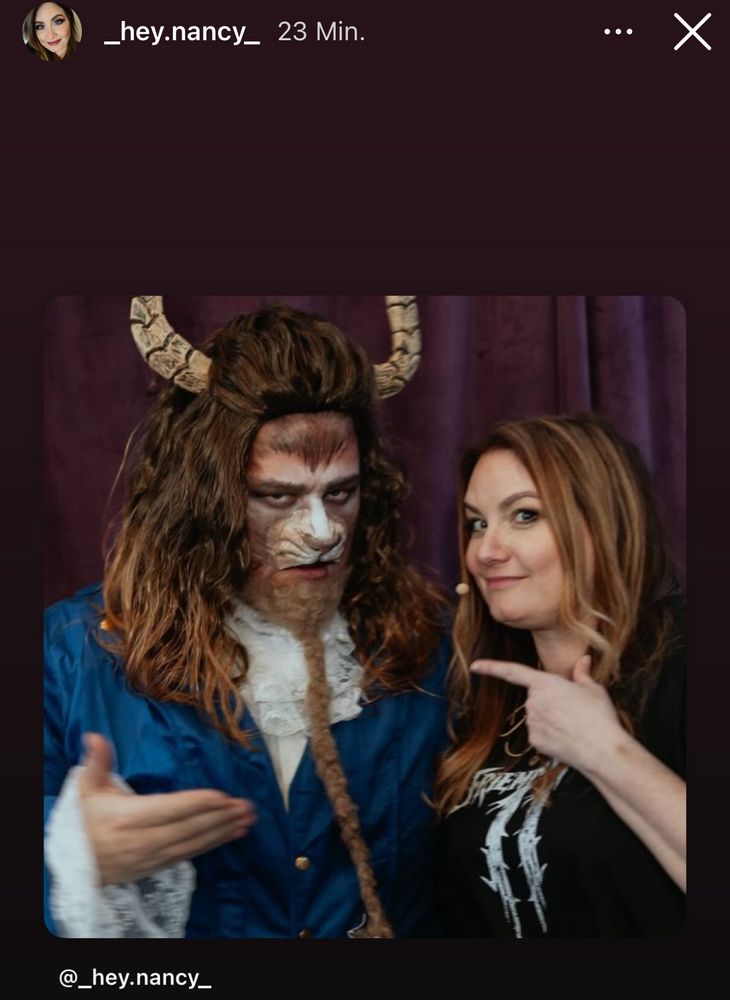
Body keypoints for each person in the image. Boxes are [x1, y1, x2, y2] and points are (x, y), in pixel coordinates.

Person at [44, 296, 449, 938]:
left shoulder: (426, 642)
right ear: (203, 498)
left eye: (340, 492)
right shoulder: (73, 651)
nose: (321, 532)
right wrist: (66, 853)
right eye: (276, 496)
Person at [435, 412, 685, 937]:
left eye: (524, 516)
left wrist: (603, 748)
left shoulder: (683, 661)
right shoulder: (486, 699)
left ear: (603, 522)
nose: (486, 552)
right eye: (477, 523)